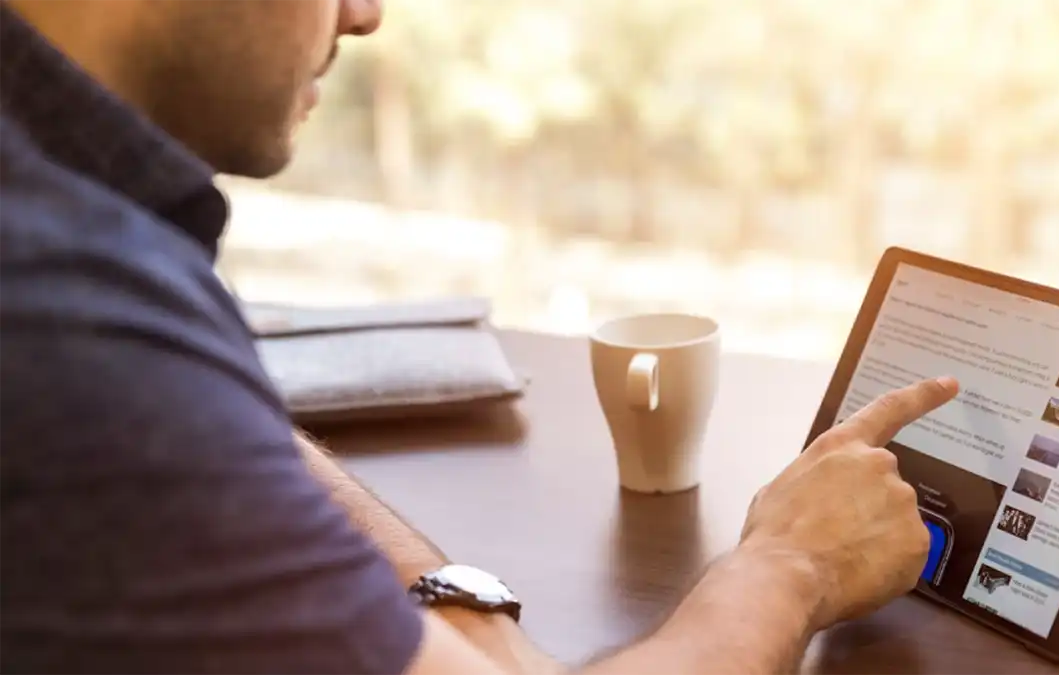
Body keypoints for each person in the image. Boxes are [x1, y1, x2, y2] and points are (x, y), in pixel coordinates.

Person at [0, 1, 960, 673]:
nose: (366, 14)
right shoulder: (60, 309)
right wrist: (792, 564)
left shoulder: (78, 254)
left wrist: (459, 612)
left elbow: (188, 421)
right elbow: (131, 404)